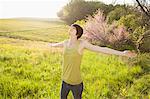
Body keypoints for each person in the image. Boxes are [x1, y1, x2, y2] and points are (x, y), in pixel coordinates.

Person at [49, 24, 137, 99]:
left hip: (76, 83)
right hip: (64, 81)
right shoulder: (65, 42)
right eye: (71, 28)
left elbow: (101, 49)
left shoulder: (82, 44)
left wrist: (122, 53)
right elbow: (55, 45)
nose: (71, 29)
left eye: (73, 28)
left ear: (78, 33)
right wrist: (50, 45)